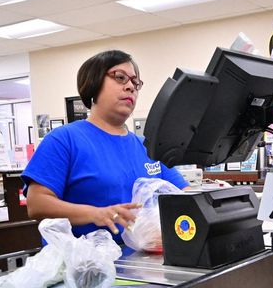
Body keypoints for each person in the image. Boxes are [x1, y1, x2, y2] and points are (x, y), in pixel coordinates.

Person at [22, 50, 189, 243]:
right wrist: (96, 214)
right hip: (85, 258)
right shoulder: (64, 140)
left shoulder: (148, 147)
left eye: (135, 83)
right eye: (120, 77)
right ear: (93, 83)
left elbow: (184, 194)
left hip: (143, 257)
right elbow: (37, 204)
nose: (131, 87)